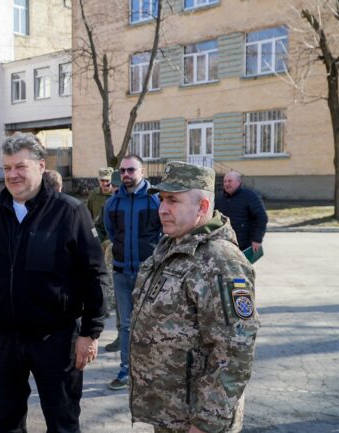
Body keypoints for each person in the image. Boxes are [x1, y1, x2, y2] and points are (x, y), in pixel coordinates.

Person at [0, 132, 106, 433]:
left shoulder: (69, 212)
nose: (13, 174)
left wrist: (90, 333)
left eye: (20, 166)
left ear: (41, 166)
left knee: (63, 422)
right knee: (7, 421)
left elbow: (95, 275)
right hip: (3, 340)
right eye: (7, 168)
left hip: (55, 340)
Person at [128, 161, 260, 433]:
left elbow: (235, 351)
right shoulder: (172, 243)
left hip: (197, 420)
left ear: (202, 207)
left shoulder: (221, 261)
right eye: (162, 199)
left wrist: (205, 424)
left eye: (173, 201)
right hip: (170, 412)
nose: (162, 209)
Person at [103, 155, 162, 390]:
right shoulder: (113, 203)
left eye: (130, 170)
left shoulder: (155, 200)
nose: (126, 174)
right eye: (122, 171)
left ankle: (152, 370)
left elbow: (164, 233)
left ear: (142, 171)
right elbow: (110, 231)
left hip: (148, 274)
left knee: (150, 323)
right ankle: (126, 371)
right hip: (121, 274)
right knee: (126, 324)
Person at [85, 167, 118, 350]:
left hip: (111, 243)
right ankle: (103, 307)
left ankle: (109, 306)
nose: (105, 184)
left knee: (109, 277)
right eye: (102, 180)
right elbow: (89, 218)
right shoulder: (94, 196)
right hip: (98, 240)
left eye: (108, 181)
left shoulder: (115, 196)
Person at [215, 170, 268, 253]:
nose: (226, 184)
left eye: (230, 181)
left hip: (244, 245)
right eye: (225, 181)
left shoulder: (251, 196)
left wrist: (257, 240)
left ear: (238, 182)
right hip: (224, 244)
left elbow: (262, 218)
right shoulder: (219, 199)